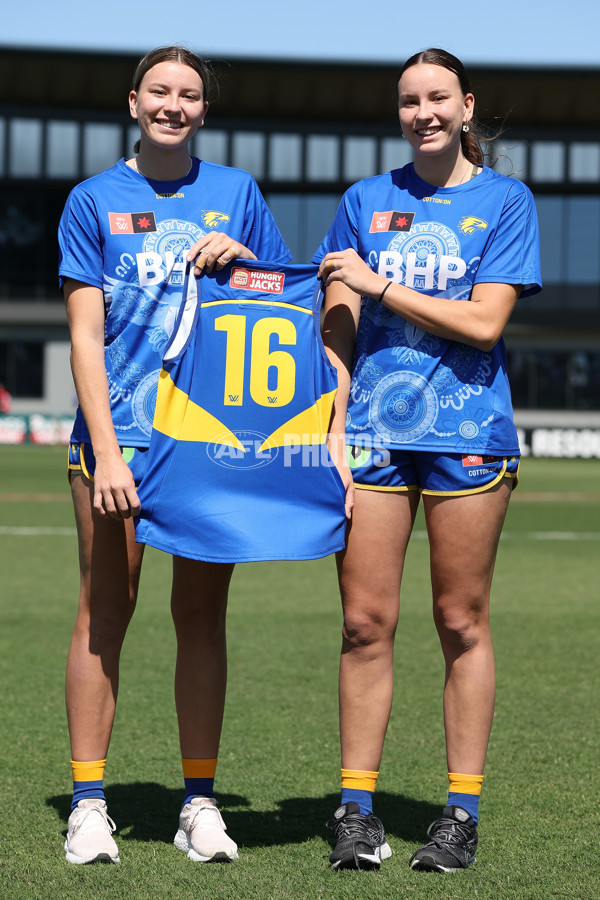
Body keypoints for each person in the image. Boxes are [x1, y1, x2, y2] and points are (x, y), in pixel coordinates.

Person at [59, 45, 291, 866]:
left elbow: (276, 306)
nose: (174, 104)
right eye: (160, 90)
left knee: (201, 618)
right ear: (133, 102)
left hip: (204, 446)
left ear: (203, 109)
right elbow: (85, 338)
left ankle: (199, 804)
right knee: (104, 619)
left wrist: (245, 263)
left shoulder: (238, 193)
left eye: (189, 94)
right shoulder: (92, 200)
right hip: (117, 443)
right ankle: (89, 804)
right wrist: (109, 451)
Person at [314, 48, 541, 873]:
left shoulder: (505, 201)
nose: (423, 112)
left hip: (469, 437)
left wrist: (380, 287)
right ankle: (357, 810)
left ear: (467, 105)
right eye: (409, 100)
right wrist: (332, 421)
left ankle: (459, 815)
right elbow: (336, 319)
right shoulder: (364, 201)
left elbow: (485, 325)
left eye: (438, 97)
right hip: (370, 439)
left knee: (460, 622)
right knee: (363, 625)